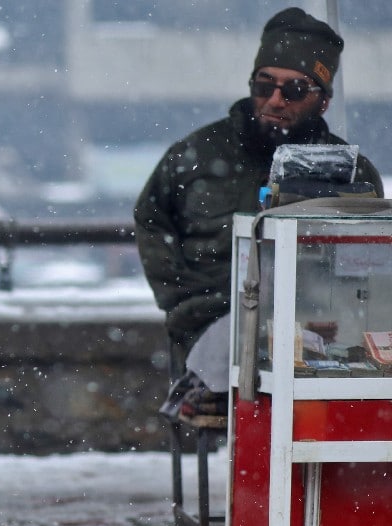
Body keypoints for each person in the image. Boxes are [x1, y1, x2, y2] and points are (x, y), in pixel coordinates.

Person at [134, 7, 382, 420]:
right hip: (214, 323)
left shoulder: (353, 173)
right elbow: (151, 219)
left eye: (295, 90)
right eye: (264, 85)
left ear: (323, 102)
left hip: (323, 330)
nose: (274, 100)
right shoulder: (195, 156)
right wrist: (182, 301)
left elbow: (372, 260)